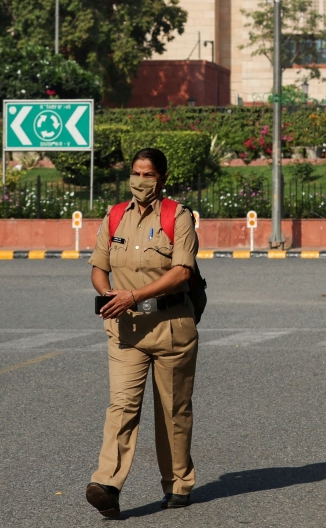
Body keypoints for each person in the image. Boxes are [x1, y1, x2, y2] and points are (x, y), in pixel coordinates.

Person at [85, 148, 200, 519]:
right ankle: (107, 485)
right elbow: (99, 267)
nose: (139, 181)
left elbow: (182, 272)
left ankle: (178, 484)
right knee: (122, 405)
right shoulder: (115, 216)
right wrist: (108, 295)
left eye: (147, 175)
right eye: (135, 173)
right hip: (125, 329)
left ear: (162, 178)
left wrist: (134, 294)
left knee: (173, 410)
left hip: (171, 327)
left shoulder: (177, 217)